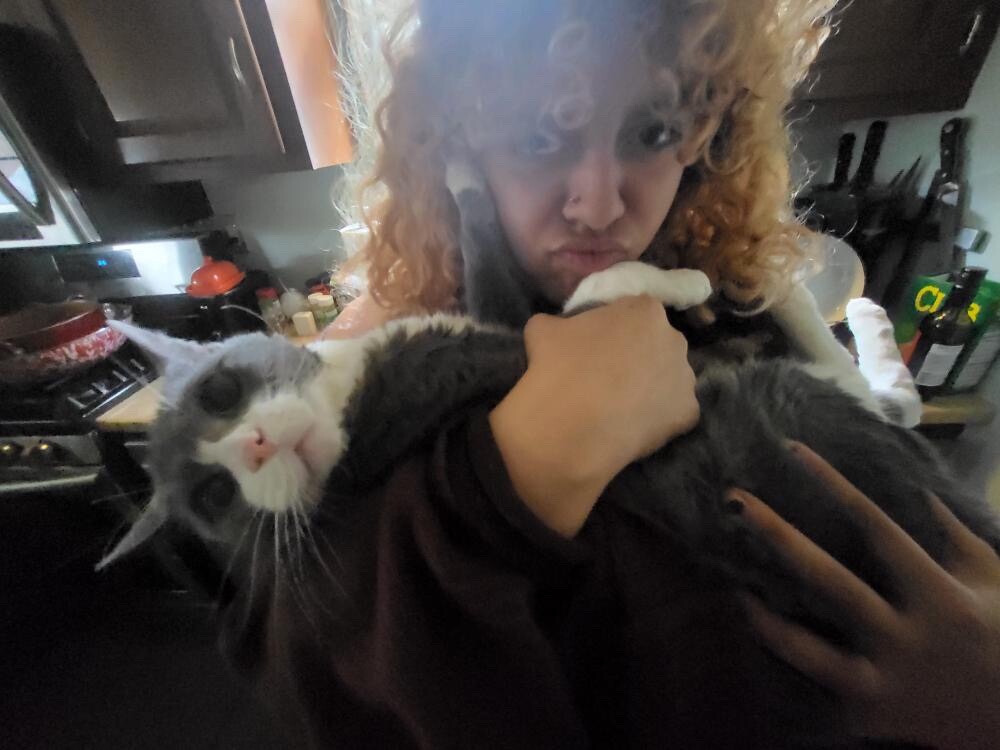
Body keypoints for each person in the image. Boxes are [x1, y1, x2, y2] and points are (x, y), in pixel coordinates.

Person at [297, 1, 1000, 747]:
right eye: (538, 138)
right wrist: (514, 474)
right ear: (457, 145)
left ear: (710, 134)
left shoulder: (747, 313)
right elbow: (313, 660)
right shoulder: (385, 373)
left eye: (653, 133)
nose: (601, 207)